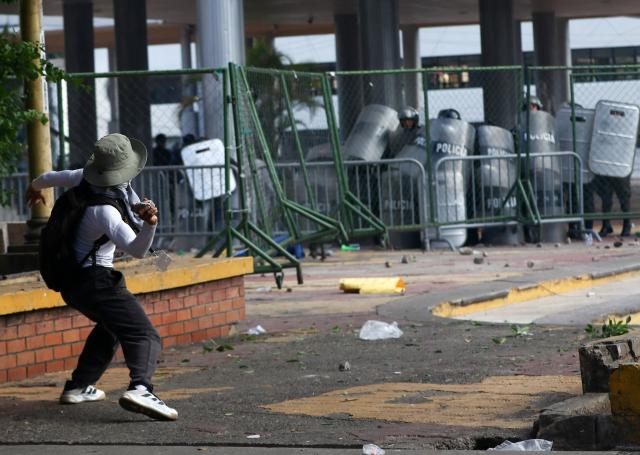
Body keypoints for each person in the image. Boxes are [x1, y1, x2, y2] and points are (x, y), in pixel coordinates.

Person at [25, 133, 178, 421]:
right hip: (97, 280)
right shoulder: (105, 211)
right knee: (143, 334)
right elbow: (136, 250)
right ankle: (141, 388)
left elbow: (47, 177)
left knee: (110, 328)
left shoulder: (82, 178)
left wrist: (34, 188)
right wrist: (150, 224)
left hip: (72, 282)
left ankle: (79, 386)